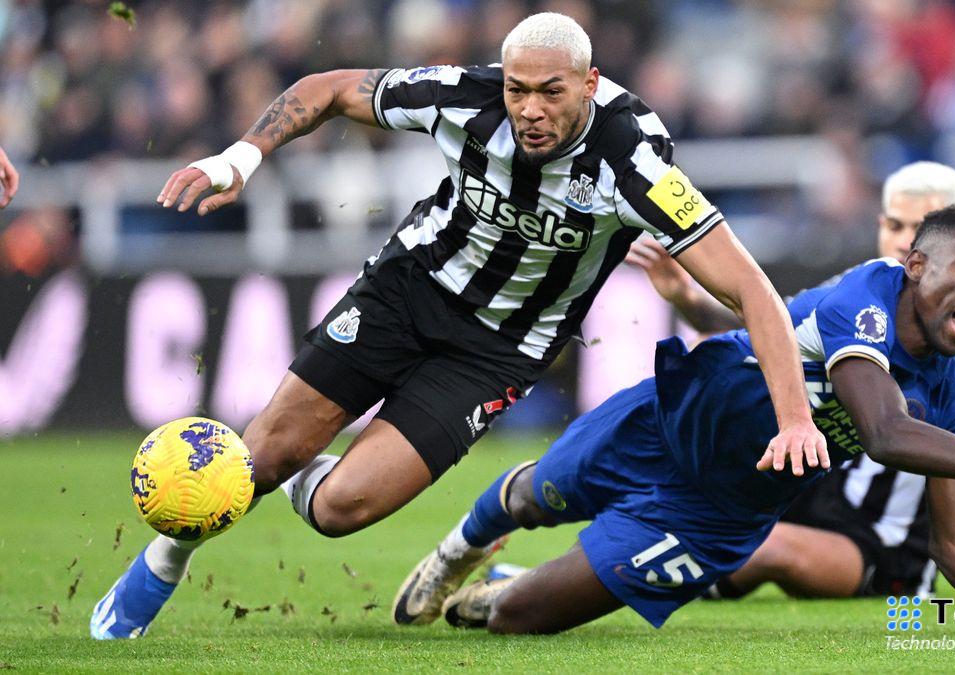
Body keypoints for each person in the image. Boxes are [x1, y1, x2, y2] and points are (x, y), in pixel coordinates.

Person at [90, 13, 828, 640]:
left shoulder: (635, 159)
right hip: (406, 292)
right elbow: (329, 88)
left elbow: (754, 291)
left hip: (498, 350)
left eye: (550, 92)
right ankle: (164, 559)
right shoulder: (463, 96)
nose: (529, 109)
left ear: (591, 85)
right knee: (260, 459)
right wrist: (241, 157)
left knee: (341, 509)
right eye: (517, 91)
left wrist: (795, 419)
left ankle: (279, 463)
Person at [396, 206, 955, 636]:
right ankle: (459, 548)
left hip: (722, 513)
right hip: (669, 420)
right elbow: (883, 432)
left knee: (522, 619)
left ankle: (495, 593)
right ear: (914, 263)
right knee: (537, 495)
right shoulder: (867, 294)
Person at [626, 161, 955, 599]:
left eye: (919, 227)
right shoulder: (864, 290)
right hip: (819, 494)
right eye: (895, 224)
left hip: (887, 540)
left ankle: (634, 581)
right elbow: (773, 332)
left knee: (757, 546)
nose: (904, 240)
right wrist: (689, 299)